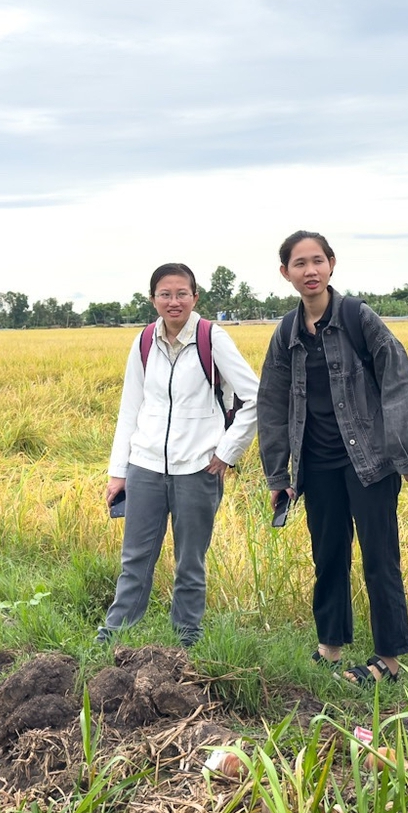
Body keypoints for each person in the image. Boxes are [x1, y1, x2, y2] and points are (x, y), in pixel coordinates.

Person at [256, 230, 408, 685]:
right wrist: (278, 473)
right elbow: (271, 404)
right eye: (299, 264)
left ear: (331, 264)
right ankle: (329, 646)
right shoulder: (286, 334)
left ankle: (388, 660)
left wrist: (405, 452)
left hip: (370, 461)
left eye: (317, 261)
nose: (309, 271)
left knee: (379, 557)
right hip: (317, 463)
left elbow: (399, 379)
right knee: (328, 555)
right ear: (285, 273)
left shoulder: (358, 317)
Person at [101, 262, 260, 647]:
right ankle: (114, 637)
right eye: (165, 294)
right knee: (134, 560)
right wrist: (118, 471)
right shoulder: (142, 342)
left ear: (195, 297)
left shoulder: (211, 338)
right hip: (146, 466)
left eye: (182, 294)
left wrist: (226, 452)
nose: (174, 302)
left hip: (197, 470)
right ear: (153, 298)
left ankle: (186, 641)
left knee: (190, 563)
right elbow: (130, 409)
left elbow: (257, 396)